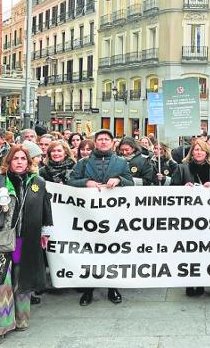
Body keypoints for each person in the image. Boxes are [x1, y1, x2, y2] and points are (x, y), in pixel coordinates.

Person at [0, 145, 53, 347]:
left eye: (23, 158)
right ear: (9, 161)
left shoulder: (38, 182)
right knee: (1, 282)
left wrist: (45, 232)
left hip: (25, 242)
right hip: (4, 240)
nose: (20, 162)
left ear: (29, 162)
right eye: (16, 158)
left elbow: (45, 208)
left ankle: (21, 318)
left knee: (20, 277)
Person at [68, 129, 133, 306]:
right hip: (88, 217)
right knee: (90, 252)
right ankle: (88, 290)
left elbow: (131, 183)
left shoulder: (121, 163)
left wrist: (119, 180)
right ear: (95, 143)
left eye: (106, 139)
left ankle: (112, 287)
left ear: (113, 143)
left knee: (112, 251)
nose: (103, 142)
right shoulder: (83, 163)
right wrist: (85, 183)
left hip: (112, 217)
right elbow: (71, 182)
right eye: (100, 139)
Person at [171, 139, 210, 297]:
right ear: (191, 152)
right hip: (189, 217)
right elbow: (171, 190)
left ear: (207, 152)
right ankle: (189, 282)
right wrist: (182, 189)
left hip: (209, 217)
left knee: (205, 250)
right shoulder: (182, 168)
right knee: (190, 251)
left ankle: (201, 281)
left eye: (201, 150)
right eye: (196, 150)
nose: (198, 152)